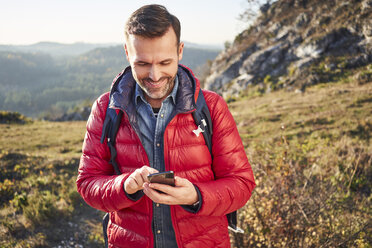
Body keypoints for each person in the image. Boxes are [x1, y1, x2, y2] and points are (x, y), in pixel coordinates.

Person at [76, 4, 255, 248]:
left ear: (180, 51)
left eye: (164, 62)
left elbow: (241, 184)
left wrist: (195, 195)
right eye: (142, 63)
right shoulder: (105, 109)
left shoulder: (211, 107)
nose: (155, 75)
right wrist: (124, 186)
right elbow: (87, 183)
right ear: (127, 53)